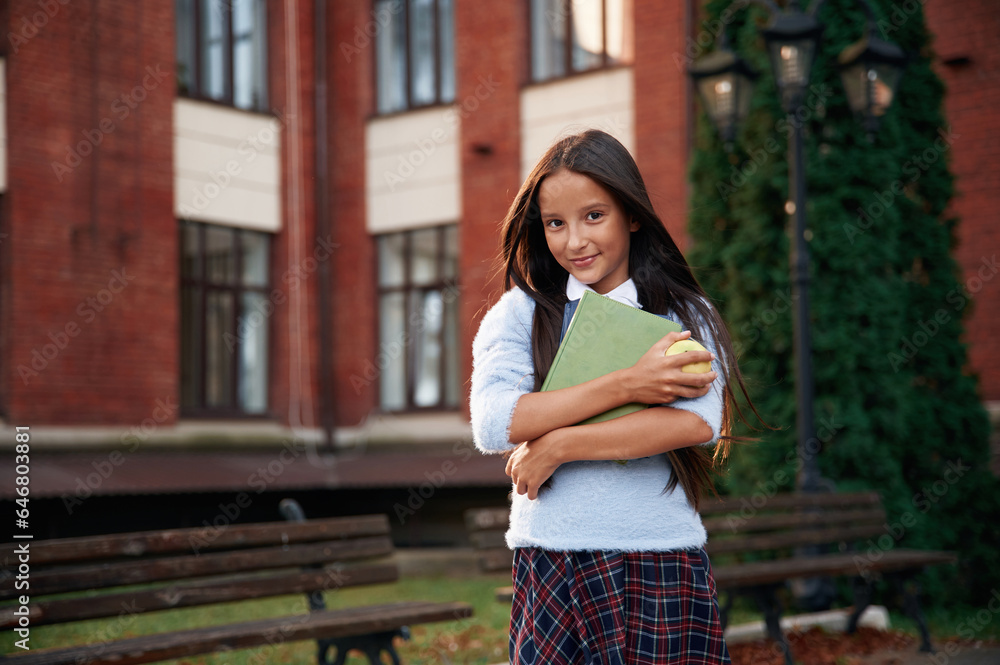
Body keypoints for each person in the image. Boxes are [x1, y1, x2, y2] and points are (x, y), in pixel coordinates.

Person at [470, 129, 762, 664]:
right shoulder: (520, 313)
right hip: (553, 560)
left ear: (631, 215)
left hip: (661, 556)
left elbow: (696, 424)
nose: (574, 241)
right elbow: (495, 422)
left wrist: (559, 446)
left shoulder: (683, 313)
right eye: (556, 223)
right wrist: (631, 383)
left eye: (593, 216)